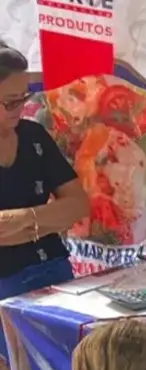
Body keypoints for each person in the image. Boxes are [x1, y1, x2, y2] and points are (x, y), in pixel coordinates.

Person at [0, 43, 89, 299]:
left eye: (23, 98)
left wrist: (25, 220)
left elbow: (78, 205)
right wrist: (48, 221)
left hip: (54, 269)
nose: (20, 108)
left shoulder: (33, 136)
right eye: (10, 102)